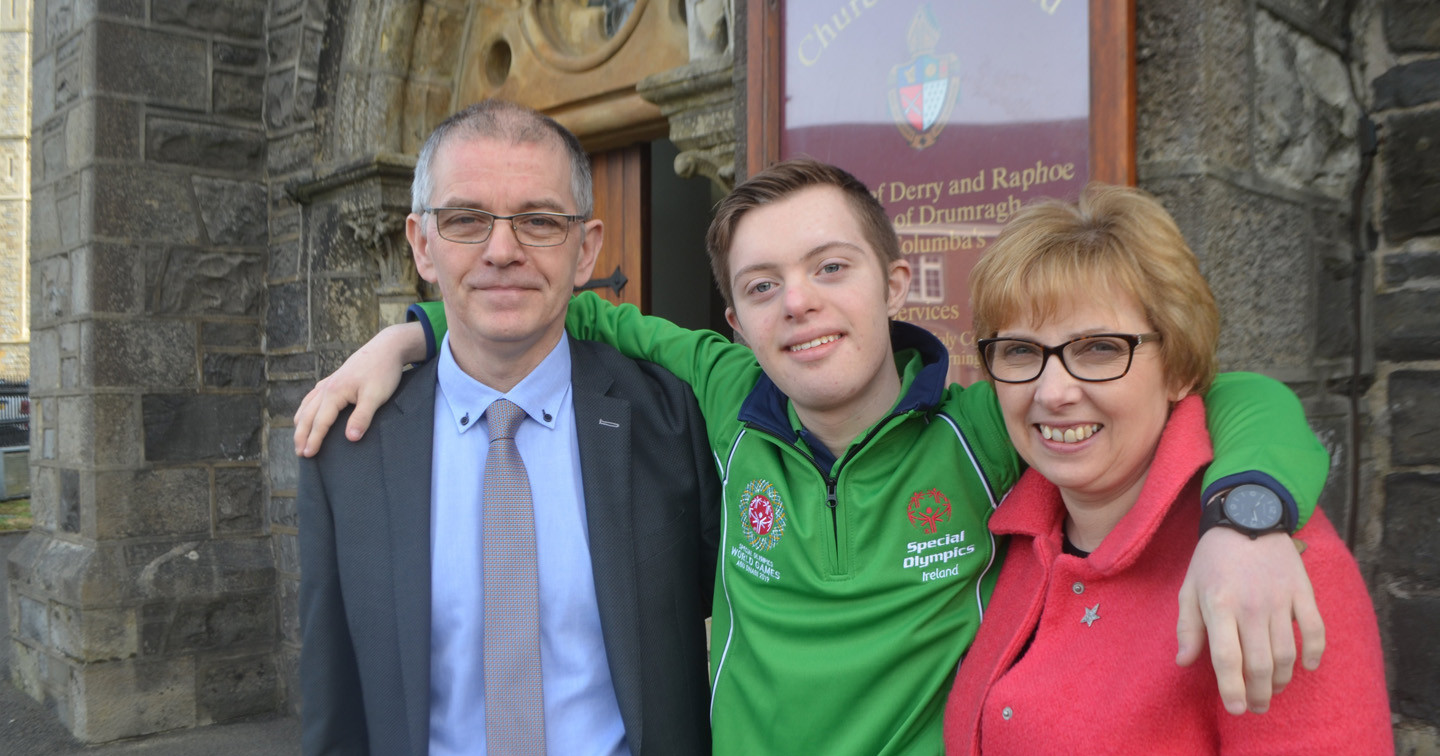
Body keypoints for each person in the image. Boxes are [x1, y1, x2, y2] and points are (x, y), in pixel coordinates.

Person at [295, 160, 1330, 755]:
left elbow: (1230, 392)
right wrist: (413, 331)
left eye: (830, 267)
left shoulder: (984, 429)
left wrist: (1250, 515)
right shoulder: (722, 396)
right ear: (736, 321)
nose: (797, 301)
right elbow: (550, 313)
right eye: (760, 285)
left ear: (892, 279)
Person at [297, 100, 720, 756]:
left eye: (540, 220)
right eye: (466, 219)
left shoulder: (672, 422)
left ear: (586, 251)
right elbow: (335, 701)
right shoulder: (349, 449)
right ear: (421, 245)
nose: (502, 250)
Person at [944, 184, 1391, 754]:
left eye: (1100, 349)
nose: (1052, 391)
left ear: (1178, 367)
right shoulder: (1012, 532)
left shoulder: (1268, 572)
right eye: (1020, 352)